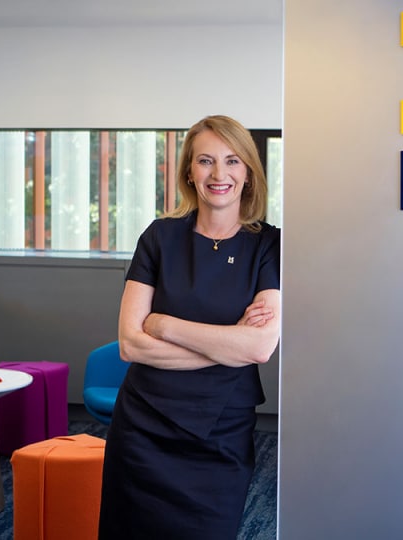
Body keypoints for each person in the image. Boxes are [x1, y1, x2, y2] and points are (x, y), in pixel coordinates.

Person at [98, 115, 281, 539]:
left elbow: (257, 347)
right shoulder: (159, 238)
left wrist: (163, 324)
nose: (220, 174)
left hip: (221, 436)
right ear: (188, 172)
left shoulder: (268, 245)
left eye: (232, 161)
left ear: (249, 172)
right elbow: (130, 344)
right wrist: (224, 343)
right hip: (144, 429)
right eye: (206, 161)